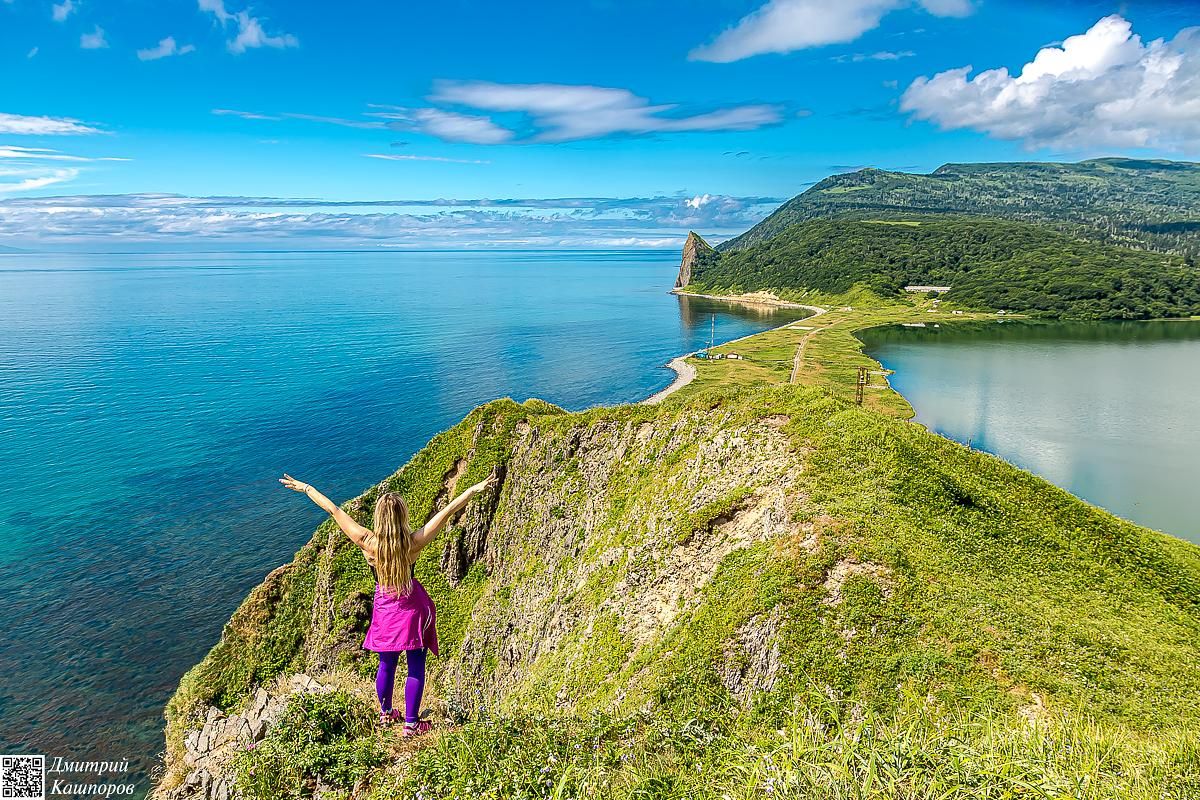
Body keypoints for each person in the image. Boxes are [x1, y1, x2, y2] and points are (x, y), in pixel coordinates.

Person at [279, 468, 499, 735]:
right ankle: (411, 723)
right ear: (402, 517)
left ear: (378, 518)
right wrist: (472, 489)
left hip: (385, 609)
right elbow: (447, 512)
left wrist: (307, 488)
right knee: (416, 666)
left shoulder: (366, 542)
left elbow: (334, 510)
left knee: (386, 664)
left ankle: (385, 713)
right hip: (414, 609)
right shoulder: (413, 543)